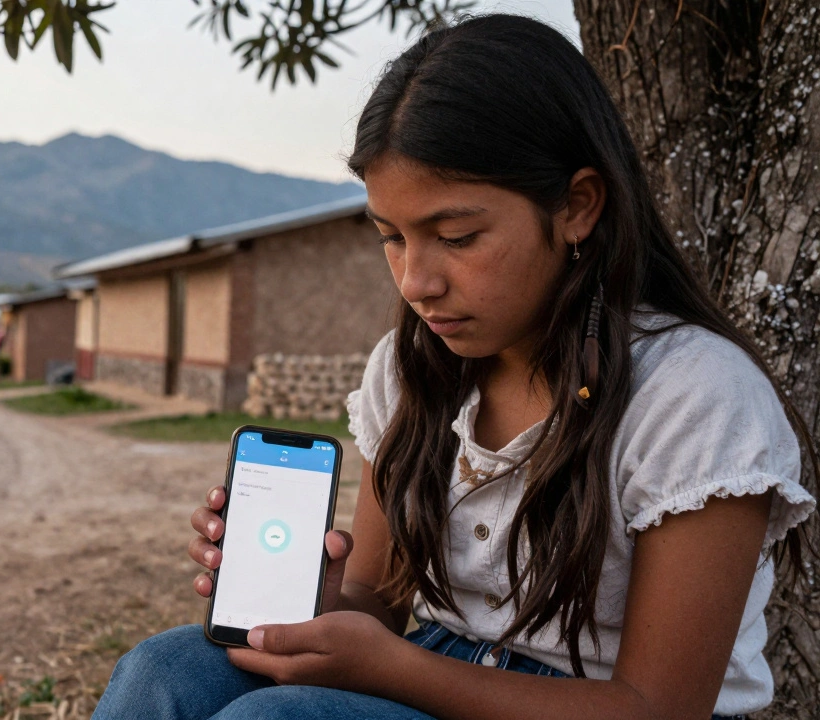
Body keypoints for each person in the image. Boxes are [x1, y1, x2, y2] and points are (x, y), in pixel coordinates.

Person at [91, 14, 816, 720]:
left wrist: (394, 666)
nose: (416, 282)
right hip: (428, 668)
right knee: (164, 672)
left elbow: (657, 707)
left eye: (457, 236)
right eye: (392, 238)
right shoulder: (413, 370)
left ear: (577, 206)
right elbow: (377, 602)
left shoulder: (694, 395)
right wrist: (312, 600)